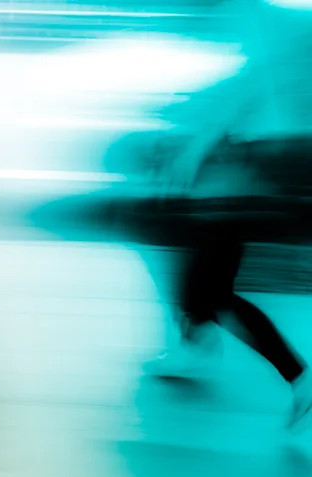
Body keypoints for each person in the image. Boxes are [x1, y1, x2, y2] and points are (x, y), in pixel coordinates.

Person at [144, 0, 312, 428]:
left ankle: (296, 374)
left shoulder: (255, 77)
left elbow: (218, 128)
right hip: (222, 203)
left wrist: (185, 160)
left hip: (226, 205)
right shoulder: (253, 74)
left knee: (213, 294)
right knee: (203, 290)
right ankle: (194, 351)